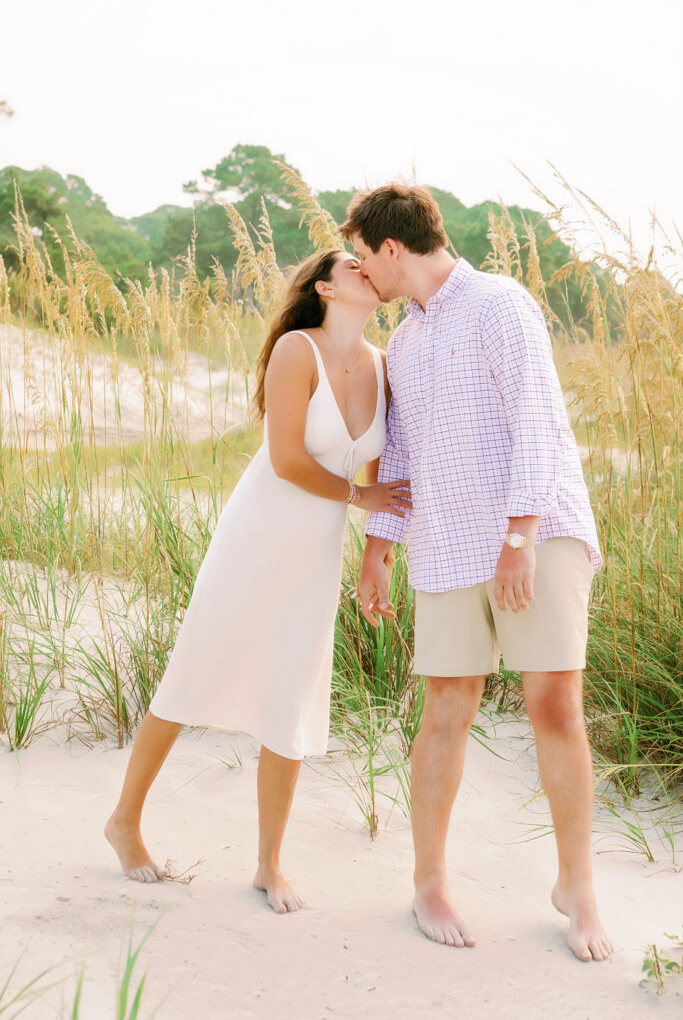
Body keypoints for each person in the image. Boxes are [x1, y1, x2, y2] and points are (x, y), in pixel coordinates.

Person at [342, 185, 613, 962]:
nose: (363, 267)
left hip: (535, 531)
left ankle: (577, 888)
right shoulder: (408, 339)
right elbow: (398, 456)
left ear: (393, 248)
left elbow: (536, 415)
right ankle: (428, 880)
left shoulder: (500, 304)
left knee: (554, 702)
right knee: (444, 708)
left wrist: (520, 535)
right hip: (447, 545)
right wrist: (377, 547)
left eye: (365, 252)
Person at [105, 249, 411, 913]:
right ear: (324, 287)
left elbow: (379, 478)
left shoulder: (386, 365)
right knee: (192, 673)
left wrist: (373, 559)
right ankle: (124, 820)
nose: (366, 268)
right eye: (351, 264)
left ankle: (269, 864)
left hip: (317, 550)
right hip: (257, 535)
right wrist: (360, 503)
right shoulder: (297, 351)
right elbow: (286, 460)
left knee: (292, 694)